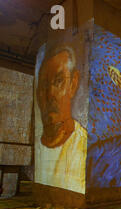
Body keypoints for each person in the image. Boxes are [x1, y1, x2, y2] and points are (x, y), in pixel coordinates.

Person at [35, 45, 87, 194]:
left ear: (73, 84)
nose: (50, 93)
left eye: (59, 81)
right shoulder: (38, 148)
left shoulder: (83, 147)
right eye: (44, 84)